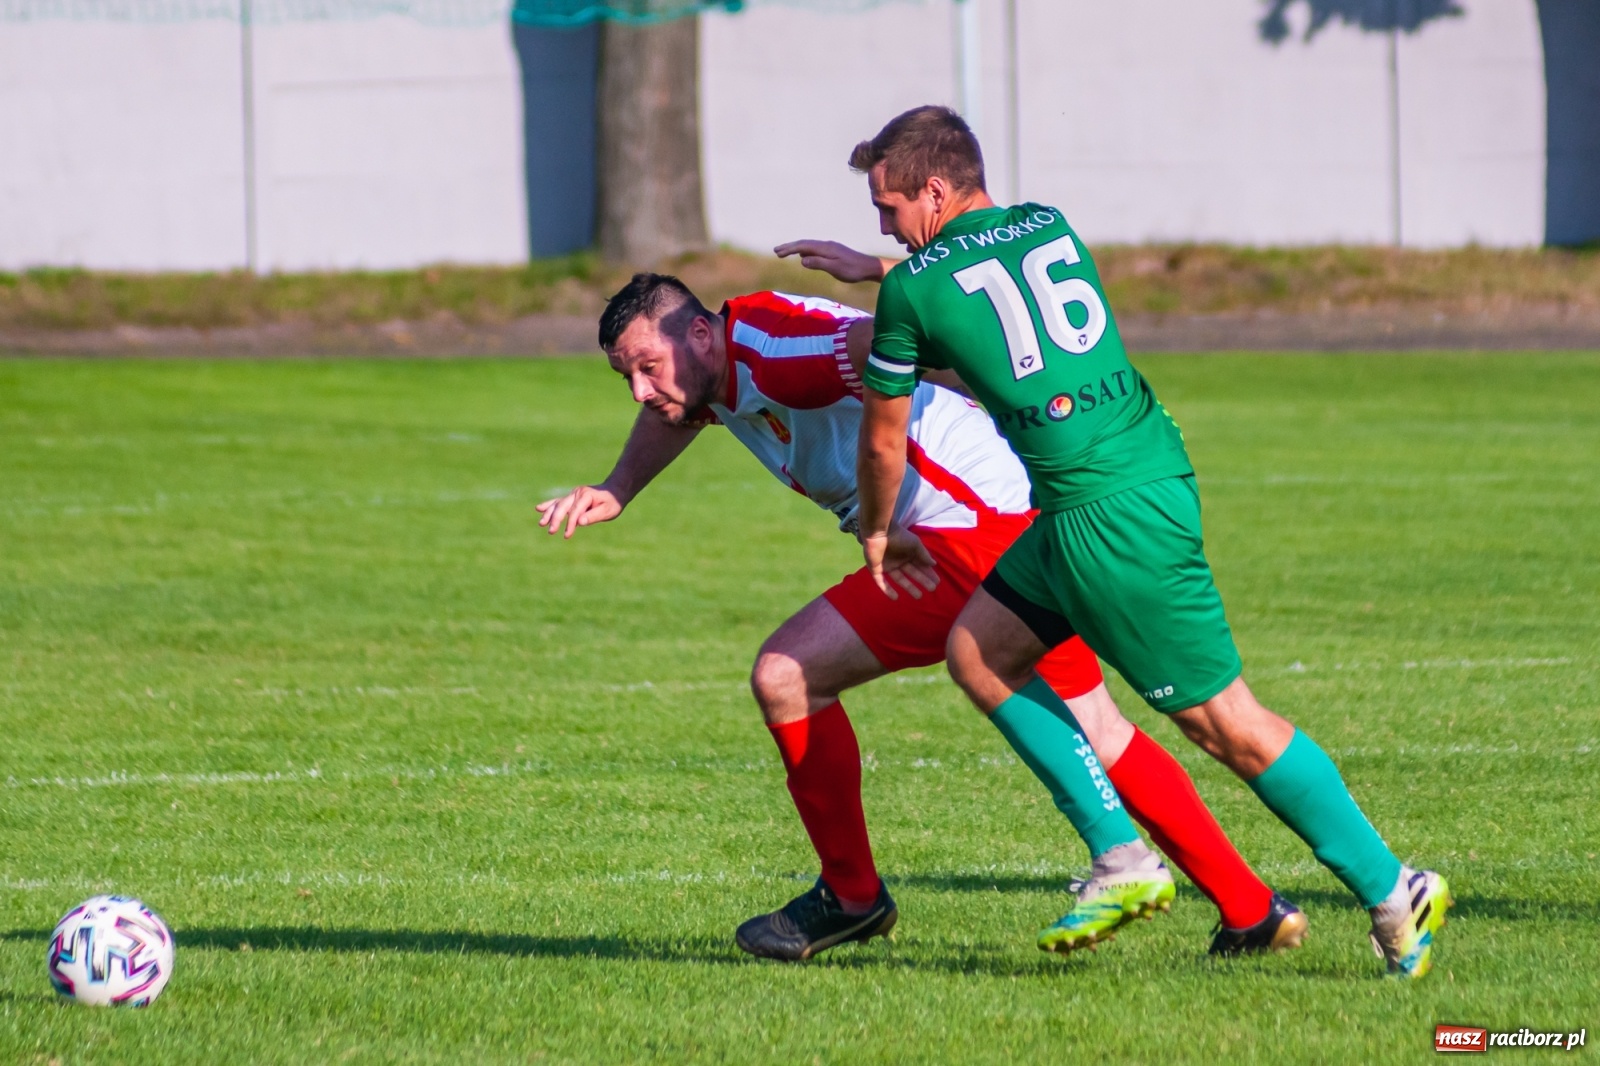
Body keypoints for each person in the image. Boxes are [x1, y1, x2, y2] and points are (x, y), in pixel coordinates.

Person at [792, 104, 1450, 978]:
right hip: (1111, 488)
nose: (883, 225)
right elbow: (985, 287)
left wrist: (875, 530)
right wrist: (879, 268)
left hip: (1109, 514)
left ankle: (1391, 883)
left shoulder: (916, 287)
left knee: (1226, 725)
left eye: (888, 208)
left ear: (937, 192)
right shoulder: (1045, 224)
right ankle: (1123, 857)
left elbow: (883, 439)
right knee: (980, 652)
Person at [537, 274, 1307, 961]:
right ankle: (1251, 908)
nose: (641, 390)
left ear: (699, 333)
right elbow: (678, 413)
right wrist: (619, 488)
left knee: (787, 674)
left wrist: (1001, 411)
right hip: (1002, 515)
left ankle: (859, 897)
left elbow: (900, 347)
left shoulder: (780, 349)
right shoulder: (716, 369)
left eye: (649, 367)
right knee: (1095, 723)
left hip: (970, 526)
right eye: (626, 376)